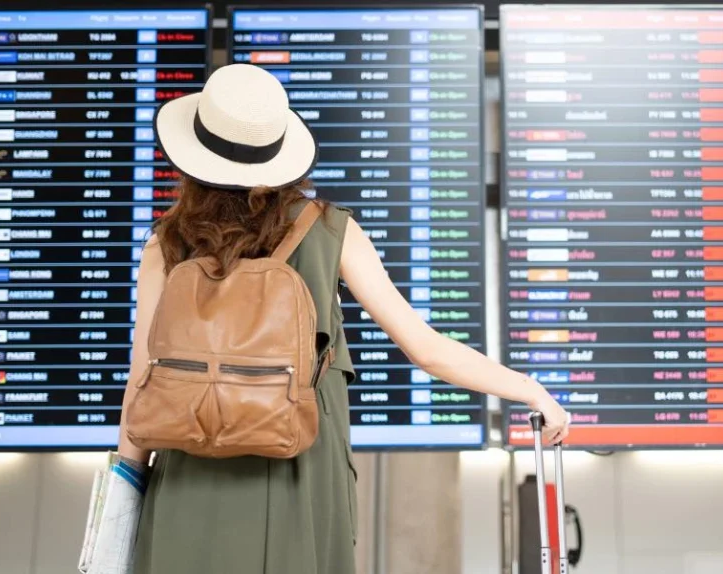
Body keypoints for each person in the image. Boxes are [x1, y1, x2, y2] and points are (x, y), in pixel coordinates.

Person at [115, 63, 569, 574]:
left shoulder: (165, 243)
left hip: (187, 477)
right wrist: (531, 390)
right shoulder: (330, 230)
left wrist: (122, 494)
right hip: (299, 473)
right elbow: (426, 348)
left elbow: (142, 383)